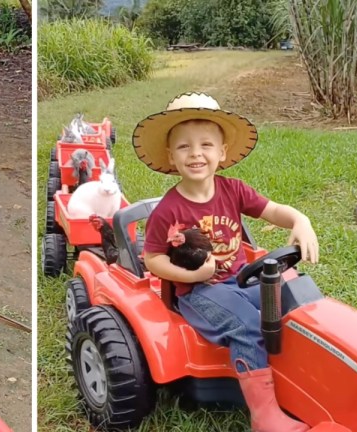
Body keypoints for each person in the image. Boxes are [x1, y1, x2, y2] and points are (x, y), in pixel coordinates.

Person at [133, 92, 319, 432]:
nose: (196, 154)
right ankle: (265, 416)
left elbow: (273, 210)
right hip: (197, 293)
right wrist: (191, 273)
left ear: (222, 152)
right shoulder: (168, 211)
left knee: (292, 304)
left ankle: (302, 383)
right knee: (247, 325)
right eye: (184, 147)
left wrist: (299, 220)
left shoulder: (233, 190)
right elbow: (153, 259)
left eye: (206, 144)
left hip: (241, 279)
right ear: (170, 156)